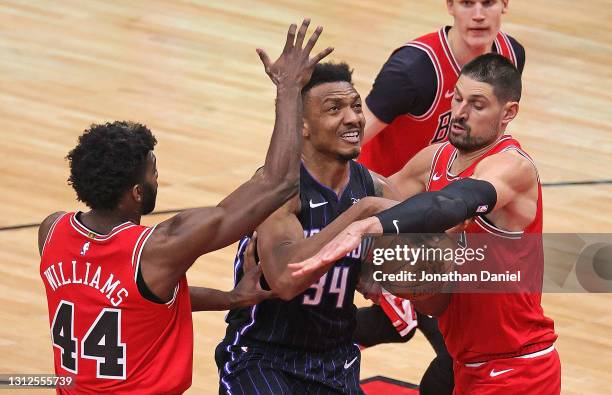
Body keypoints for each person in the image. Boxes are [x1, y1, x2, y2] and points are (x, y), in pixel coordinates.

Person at [38, 19, 333, 394]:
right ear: (136, 193)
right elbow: (278, 184)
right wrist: (289, 88)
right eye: (153, 172)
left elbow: (127, 301)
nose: (157, 179)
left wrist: (230, 299)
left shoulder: (52, 231)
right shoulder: (160, 247)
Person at [291, 53, 561, 395]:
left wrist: (370, 226)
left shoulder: (512, 168)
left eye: (477, 105)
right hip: (468, 362)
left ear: (508, 113)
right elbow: (358, 192)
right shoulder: (436, 158)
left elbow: (451, 203)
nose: (460, 112)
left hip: (517, 366)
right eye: (458, 98)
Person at [356, 2, 524, 391]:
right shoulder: (414, 70)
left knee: (405, 325)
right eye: (467, 3)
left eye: (488, 2)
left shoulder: (510, 57)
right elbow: (347, 136)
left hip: (440, 217)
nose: (478, 14)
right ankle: (312, 341)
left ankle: (316, 338)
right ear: (450, 5)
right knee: (443, 342)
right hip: (389, 207)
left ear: (505, 4)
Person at [216, 62, 399, 395]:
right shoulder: (278, 190)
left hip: (336, 361)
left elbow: (432, 272)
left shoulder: (376, 188)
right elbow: (287, 279)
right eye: (334, 109)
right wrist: (360, 215)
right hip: (262, 357)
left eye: (356, 106)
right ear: (301, 125)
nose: (353, 118)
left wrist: (382, 272)